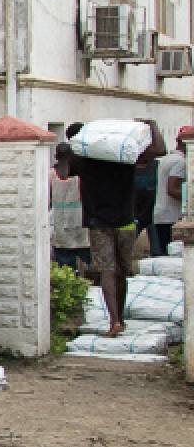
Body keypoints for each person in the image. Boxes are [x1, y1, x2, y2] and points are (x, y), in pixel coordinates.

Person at [57, 120, 166, 337]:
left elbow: (62, 173)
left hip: (99, 223)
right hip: (126, 221)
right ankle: (120, 319)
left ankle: (114, 320)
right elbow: (160, 150)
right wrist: (152, 125)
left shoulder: (83, 158)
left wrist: (62, 155)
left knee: (107, 271)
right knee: (121, 273)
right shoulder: (124, 156)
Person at [50, 136, 91, 272]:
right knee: (85, 265)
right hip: (80, 223)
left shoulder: (51, 174)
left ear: (56, 156)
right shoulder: (81, 174)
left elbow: (47, 200)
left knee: (65, 268)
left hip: (59, 223)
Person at [151, 129, 188, 257]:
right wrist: (189, 198)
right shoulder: (181, 162)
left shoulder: (167, 159)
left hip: (161, 214)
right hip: (171, 216)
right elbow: (172, 189)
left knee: (165, 254)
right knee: (173, 256)